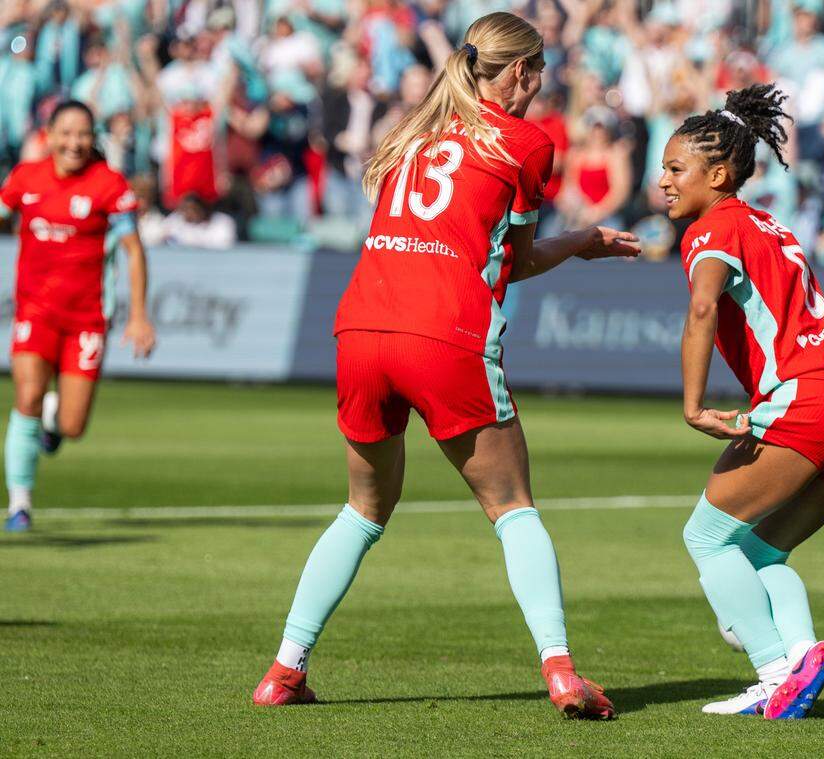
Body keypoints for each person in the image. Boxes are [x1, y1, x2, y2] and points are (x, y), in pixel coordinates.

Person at [252, 13, 640, 719]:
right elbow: (516, 262)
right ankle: (560, 671)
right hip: (443, 333)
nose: (541, 86)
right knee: (513, 507)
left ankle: (283, 669)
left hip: (361, 326)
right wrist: (583, 241)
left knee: (363, 511)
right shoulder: (527, 142)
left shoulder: (415, 133)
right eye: (540, 72)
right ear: (519, 73)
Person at [657, 84, 824, 719]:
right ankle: (802, 658)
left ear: (719, 174)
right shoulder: (767, 221)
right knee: (759, 551)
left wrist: (693, 404)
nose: (664, 181)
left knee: (706, 538)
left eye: (677, 169)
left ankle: (771, 673)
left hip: (809, 397)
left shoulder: (713, 228)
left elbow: (703, 307)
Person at [0, 100, 156, 532]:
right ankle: (20, 505)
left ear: (94, 139)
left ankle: (54, 420)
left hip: (86, 321)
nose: (75, 142)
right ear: (48, 135)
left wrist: (139, 316)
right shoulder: (25, 179)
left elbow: (133, 251)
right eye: (66, 133)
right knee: (26, 397)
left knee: (72, 425)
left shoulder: (108, 185)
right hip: (34, 311)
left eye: (83, 134)